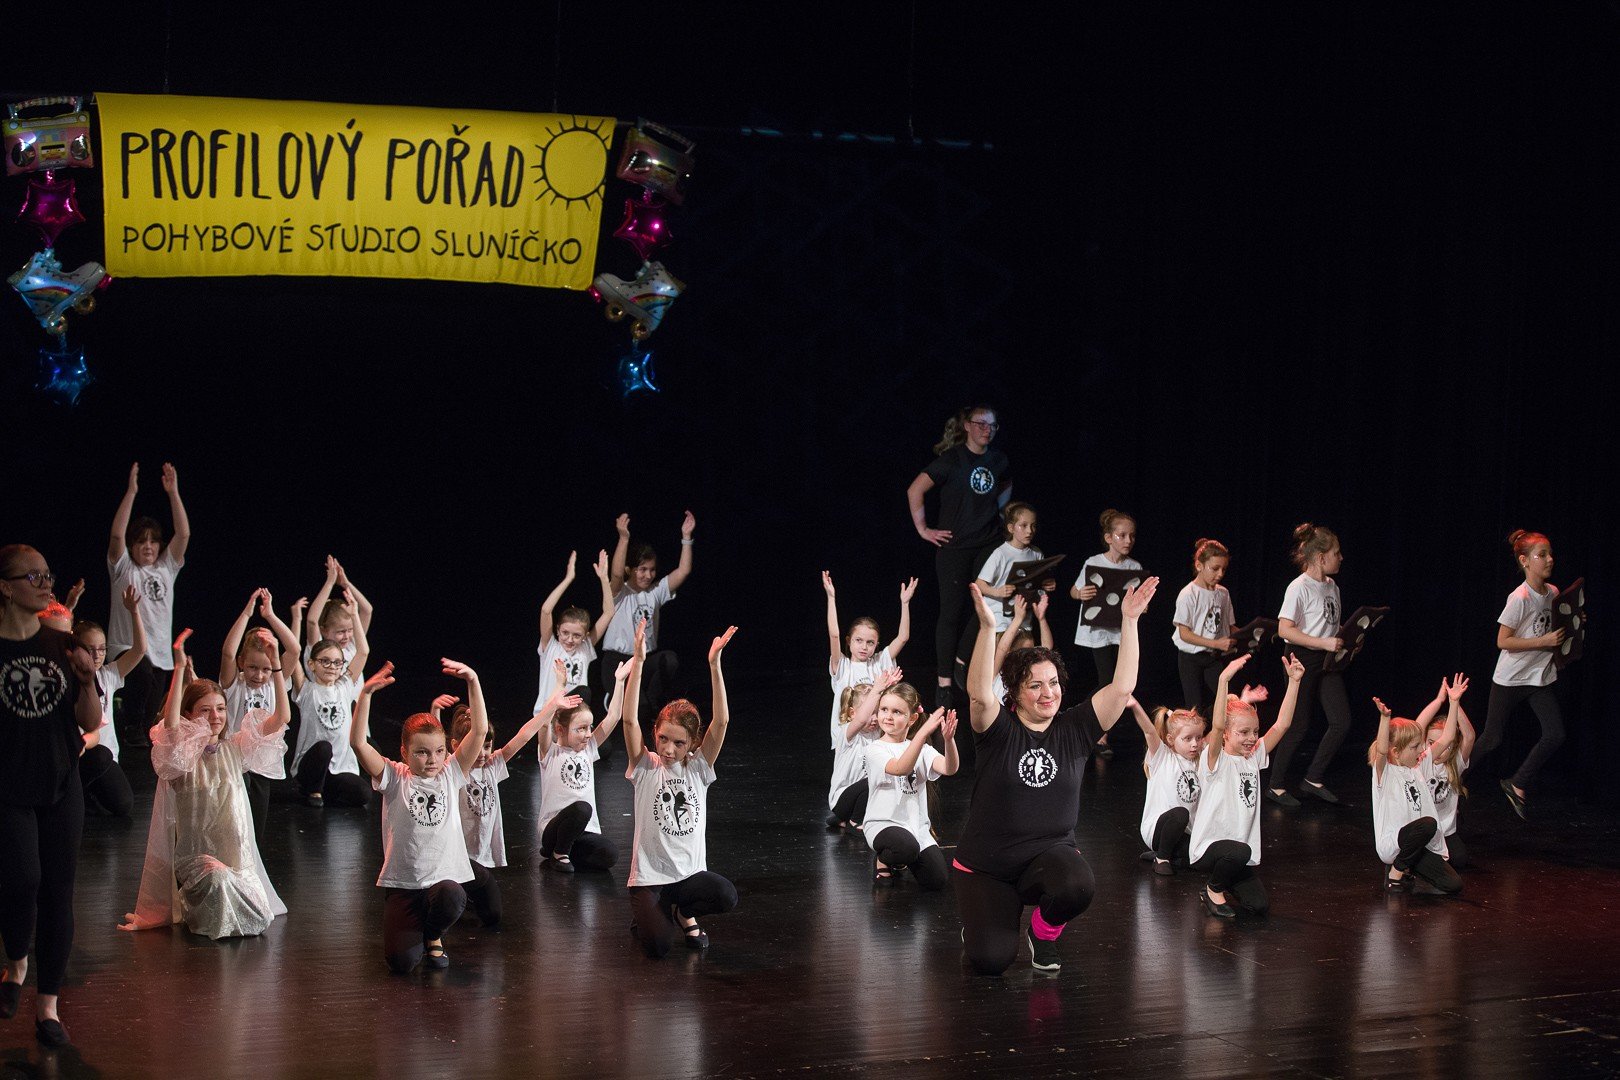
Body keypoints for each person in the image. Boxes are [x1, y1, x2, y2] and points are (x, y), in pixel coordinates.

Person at [956, 576, 1157, 976]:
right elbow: (979, 694)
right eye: (1035, 685)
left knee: (1077, 884)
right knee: (991, 961)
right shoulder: (997, 729)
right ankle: (983, 925)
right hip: (987, 866)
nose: (1048, 693)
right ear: (1014, 693)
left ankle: (1043, 932)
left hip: (1047, 856)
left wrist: (1130, 621)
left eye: (1053, 683)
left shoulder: (1075, 728)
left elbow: (1121, 690)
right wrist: (988, 628)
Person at [121, 629, 290, 939]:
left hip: (237, 864)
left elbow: (281, 718)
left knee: (258, 917)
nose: (216, 716)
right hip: (198, 864)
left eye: (221, 708)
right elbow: (172, 725)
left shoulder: (235, 748)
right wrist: (178, 669)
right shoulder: (182, 756)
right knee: (217, 880)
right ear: (190, 713)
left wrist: (276, 664)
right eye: (205, 709)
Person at [0, 545, 102, 1047]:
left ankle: (47, 1007)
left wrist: (86, 681)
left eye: (47, 575)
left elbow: (89, 720)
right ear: (5, 587)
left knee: (59, 893)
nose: (46, 584)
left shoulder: (62, 643)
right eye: (33, 577)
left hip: (62, 784)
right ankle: (17, 959)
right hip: (8, 789)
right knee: (23, 879)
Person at [351, 658, 486, 974]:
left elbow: (479, 731)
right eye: (422, 752)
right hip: (405, 885)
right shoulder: (394, 777)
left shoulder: (451, 773)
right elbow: (358, 743)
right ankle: (412, 929)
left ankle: (433, 933)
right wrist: (365, 695)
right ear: (404, 752)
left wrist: (473, 680)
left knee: (453, 894)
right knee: (401, 964)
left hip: (440, 883)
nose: (432, 759)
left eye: (439, 751)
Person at [623, 619, 740, 957]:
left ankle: (684, 912)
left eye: (678, 743)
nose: (668, 749)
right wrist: (639, 662)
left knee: (725, 896)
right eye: (663, 738)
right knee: (658, 947)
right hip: (651, 879)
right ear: (655, 733)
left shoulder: (698, 769)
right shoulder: (645, 766)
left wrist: (714, 665)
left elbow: (722, 722)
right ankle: (651, 913)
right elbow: (628, 720)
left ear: (692, 743)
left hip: (687, 876)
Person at [447, 672, 580, 927]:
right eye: (477, 746)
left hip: (481, 854)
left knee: (492, 916)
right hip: (459, 856)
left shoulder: (492, 766)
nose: (483, 753)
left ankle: (468, 894)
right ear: (457, 746)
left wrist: (551, 707)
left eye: (487, 746)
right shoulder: (455, 771)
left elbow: (524, 735)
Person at [906, 404, 1011, 709]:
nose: (987, 430)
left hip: (988, 543)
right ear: (967, 425)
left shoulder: (998, 460)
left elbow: (1006, 484)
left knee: (985, 606)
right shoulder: (951, 460)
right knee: (951, 613)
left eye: (992, 426)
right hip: (954, 547)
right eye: (981, 424)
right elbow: (915, 490)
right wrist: (924, 529)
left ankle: (963, 661)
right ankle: (944, 684)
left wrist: (1002, 515)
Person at [1189, 653, 1304, 919]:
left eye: (1254, 731)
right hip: (1209, 849)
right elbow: (1218, 725)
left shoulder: (1253, 757)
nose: (1252, 738)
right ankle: (1213, 888)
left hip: (1237, 854)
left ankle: (1224, 880)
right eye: (1243, 733)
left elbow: (1282, 725)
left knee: (1258, 906)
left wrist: (1295, 682)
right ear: (1227, 735)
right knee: (1241, 851)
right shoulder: (1214, 759)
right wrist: (1223, 680)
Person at [1473, 530, 1567, 820]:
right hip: (1512, 678)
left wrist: (1573, 620)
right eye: (1542, 555)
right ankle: (1452, 777)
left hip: (1539, 677)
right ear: (1525, 561)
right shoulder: (1520, 598)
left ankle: (1517, 783)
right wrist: (1544, 641)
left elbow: (1557, 624)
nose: (1549, 560)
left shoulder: (1553, 593)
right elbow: (1503, 641)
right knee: (1492, 738)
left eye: (1550, 554)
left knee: (1555, 734)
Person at [1266, 523, 1352, 806]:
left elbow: (1329, 623)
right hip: (1300, 659)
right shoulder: (1298, 587)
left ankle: (1313, 778)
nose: (1341, 557)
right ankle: (1275, 785)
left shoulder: (1332, 586)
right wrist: (1324, 643)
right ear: (1321, 557)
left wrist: (1345, 639)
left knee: (1341, 721)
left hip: (1326, 659)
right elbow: (1285, 629)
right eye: (1336, 553)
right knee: (1298, 725)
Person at [106, 462, 191, 747]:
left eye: (154, 541)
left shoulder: (167, 567)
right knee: (140, 677)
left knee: (149, 725)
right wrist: (131, 491)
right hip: (127, 647)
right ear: (132, 547)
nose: (148, 546)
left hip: (160, 653)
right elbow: (116, 536)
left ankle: (135, 737)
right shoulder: (123, 568)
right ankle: (128, 725)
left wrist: (173, 492)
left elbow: (183, 534)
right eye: (142, 541)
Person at [599, 511, 696, 733]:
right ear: (630, 570)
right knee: (639, 712)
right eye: (642, 569)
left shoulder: (655, 592)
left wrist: (686, 537)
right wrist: (623, 538)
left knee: (669, 659)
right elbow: (616, 575)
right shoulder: (619, 593)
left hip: (643, 660)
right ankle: (615, 699)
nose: (648, 575)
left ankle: (651, 700)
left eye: (652, 570)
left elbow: (683, 571)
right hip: (616, 663)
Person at [1369, 676, 1467, 896]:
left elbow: (1448, 737)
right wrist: (1385, 719)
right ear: (1397, 752)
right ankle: (1396, 872)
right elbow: (1382, 750)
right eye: (1414, 747)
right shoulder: (1385, 772)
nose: (1421, 750)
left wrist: (1453, 702)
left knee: (1453, 884)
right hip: (1395, 843)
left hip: (1418, 843)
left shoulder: (1418, 765)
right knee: (1428, 824)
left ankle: (1407, 866)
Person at [533, 656, 628, 873]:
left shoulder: (588, 749)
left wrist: (620, 681)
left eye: (589, 727)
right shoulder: (550, 751)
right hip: (553, 829)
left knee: (610, 855)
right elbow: (544, 724)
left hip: (584, 830)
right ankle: (558, 852)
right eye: (581, 729)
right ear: (560, 730)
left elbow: (613, 716)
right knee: (582, 809)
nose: (588, 734)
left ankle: (562, 851)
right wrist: (559, 687)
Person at [219, 589, 300, 841]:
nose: (259, 674)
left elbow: (294, 650)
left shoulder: (275, 683)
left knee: (256, 830)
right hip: (235, 762)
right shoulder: (234, 684)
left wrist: (270, 616)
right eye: (253, 667)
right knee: (235, 825)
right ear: (242, 663)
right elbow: (228, 652)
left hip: (261, 765)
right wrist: (247, 613)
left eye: (265, 668)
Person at [864, 684, 959, 889]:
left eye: (897, 712)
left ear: (912, 718)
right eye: (884, 709)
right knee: (905, 848)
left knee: (937, 880)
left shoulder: (922, 749)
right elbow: (901, 768)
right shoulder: (874, 749)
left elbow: (949, 768)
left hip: (916, 828)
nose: (888, 716)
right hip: (883, 824)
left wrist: (949, 741)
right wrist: (922, 733)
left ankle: (905, 856)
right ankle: (883, 859)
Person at [1068, 509, 1142, 759]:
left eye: (1132, 535)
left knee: (1119, 683)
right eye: (1122, 535)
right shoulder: (1094, 562)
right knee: (1108, 681)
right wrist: (1081, 594)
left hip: (1121, 632)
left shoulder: (1134, 567)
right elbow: (1074, 590)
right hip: (1099, 630)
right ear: (1109, 538)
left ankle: (1090, 726)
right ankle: (1092, 728)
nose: (1128, 540)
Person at [286, 592, 370, 807]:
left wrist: (355, 615)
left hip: (338, 768)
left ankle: (326, 790)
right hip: (312, 765)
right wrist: (296, 619)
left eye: (336, 663)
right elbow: (293, 652)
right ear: (312, 664)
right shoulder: (307, 690)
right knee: (323, 748)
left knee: (363, 794)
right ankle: (312, 790)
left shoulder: (344, 687)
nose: (331, 667)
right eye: (325, 661)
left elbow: (363, 652)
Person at [73, 585, 145, 817]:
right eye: (90, 649)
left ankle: (88, 794)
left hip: (106, 758)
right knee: (98, 754)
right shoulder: (67, 677)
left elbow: (139, 650)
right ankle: (77, 793)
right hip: (78, 756)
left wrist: (134, 612)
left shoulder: (108, 675)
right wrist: (69, 609)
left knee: (124, 805)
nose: (97, 655)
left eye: (102, 649)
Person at [820, 569, 915, 746]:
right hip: (850, 740)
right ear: (848, 641)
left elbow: (903, 637)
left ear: (877, 644)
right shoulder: (842, 666)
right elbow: (834, 634)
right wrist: (831, 598)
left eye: (870, 642)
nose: (864, 647)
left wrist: (905, 603)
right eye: (859, 640)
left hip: (876, 737)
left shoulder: (879, 662)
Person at [533, 550, 615, 714]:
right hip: (548, 713)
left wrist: (604, 579)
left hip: (573, 716)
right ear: (558, 630)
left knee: (584, 691)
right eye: (565, 633)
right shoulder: (550, 647)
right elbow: (546, 610)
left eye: (577, 635)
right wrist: (568, 578)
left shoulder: (585, 648)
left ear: (585, 636)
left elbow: (609, 613)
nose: (570, 639)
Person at [827, 671, 903, 832]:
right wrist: (877, 689)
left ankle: (841, 819)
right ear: (852, 713)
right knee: (874, 778)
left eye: (877, 712)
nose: (875, 718)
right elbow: (861, 719)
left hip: (865, 797)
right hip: (842, 800)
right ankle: (855, 820)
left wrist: (890, 691)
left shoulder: (877, 733)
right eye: (870, 713)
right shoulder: (848, 733)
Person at [1171, 538, 1239, 716]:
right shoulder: (1188, 594)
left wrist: (1250, 636)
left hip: (1213, 657)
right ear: (1199, 565)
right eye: (1215, 568)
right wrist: (1216, 643)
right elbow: (1184, 634)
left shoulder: (1223, 593)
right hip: (1190, 658)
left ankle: (1215, 728)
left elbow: (1229, 626)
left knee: (1227, 700)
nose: (1220, 574)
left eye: (1224, 569)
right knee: (1194, 707)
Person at [974, 502, 1048, 637]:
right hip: (1000, 619)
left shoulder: (1036, 553)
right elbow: (979, 584)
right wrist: (997, 592)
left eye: (1033, 525)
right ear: (1011, 528)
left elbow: (1036, 583)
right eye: (1023, 525)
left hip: (1024, 619)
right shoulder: (1001, 553)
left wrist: (1045, 584)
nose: (1029, 531)